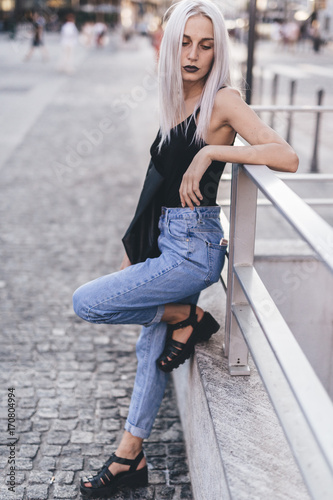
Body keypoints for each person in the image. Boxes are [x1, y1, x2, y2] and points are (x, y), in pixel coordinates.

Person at [73, 0, 299, 497]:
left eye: (205, 44)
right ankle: (129, 458)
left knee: (85, 301)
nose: (193, 54)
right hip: (164, 242)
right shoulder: (175, 96)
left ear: (218, 50)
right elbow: (156, 182)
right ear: (170, 45)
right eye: (185, 43)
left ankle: (184, 316)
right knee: (150, 350)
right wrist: (136, 252)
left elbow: (286, 155)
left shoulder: (223, 99)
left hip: (195, 247)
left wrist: (213, 151)